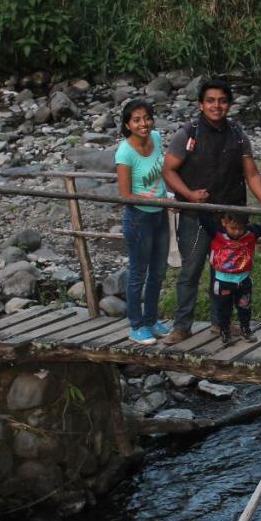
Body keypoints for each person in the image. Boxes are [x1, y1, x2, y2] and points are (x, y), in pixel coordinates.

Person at [161, 78, 261, 344]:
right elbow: (168, 170)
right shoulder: (188, 133)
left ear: (229, 105)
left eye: (222, 101)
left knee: (225, 272)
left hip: (231, 217)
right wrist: (189, 195)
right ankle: (182, 326)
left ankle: (219, 323)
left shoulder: (237, 134)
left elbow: (252, 174)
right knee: (191, 271)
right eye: (211, 101)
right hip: (195, 214)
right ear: (201, 104)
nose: (217, 106)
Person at [114, 99, 171, 345]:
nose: (143, 123)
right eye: (136, 119)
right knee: (138, 273)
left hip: (160, 214)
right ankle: (136, 325)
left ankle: (151, 319)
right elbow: (125, 195)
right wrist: (154, 202)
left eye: (146, 117)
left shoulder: (157, 138)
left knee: (158, 272)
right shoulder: (124, 152)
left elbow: (164, 171)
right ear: (128, 124)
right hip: (139, 218)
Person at [201, 212, 261, 345]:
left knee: (244, 307)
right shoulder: (217, 233)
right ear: (224, 223)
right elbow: (203, 217)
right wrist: (199, 204)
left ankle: (245, 329)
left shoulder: (251, 233)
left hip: (243, 280)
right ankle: (224, 331)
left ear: (246, 225)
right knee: (223, 308)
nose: (237, 232)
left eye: (240, 229)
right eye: (233, 228)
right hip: (222, 281)